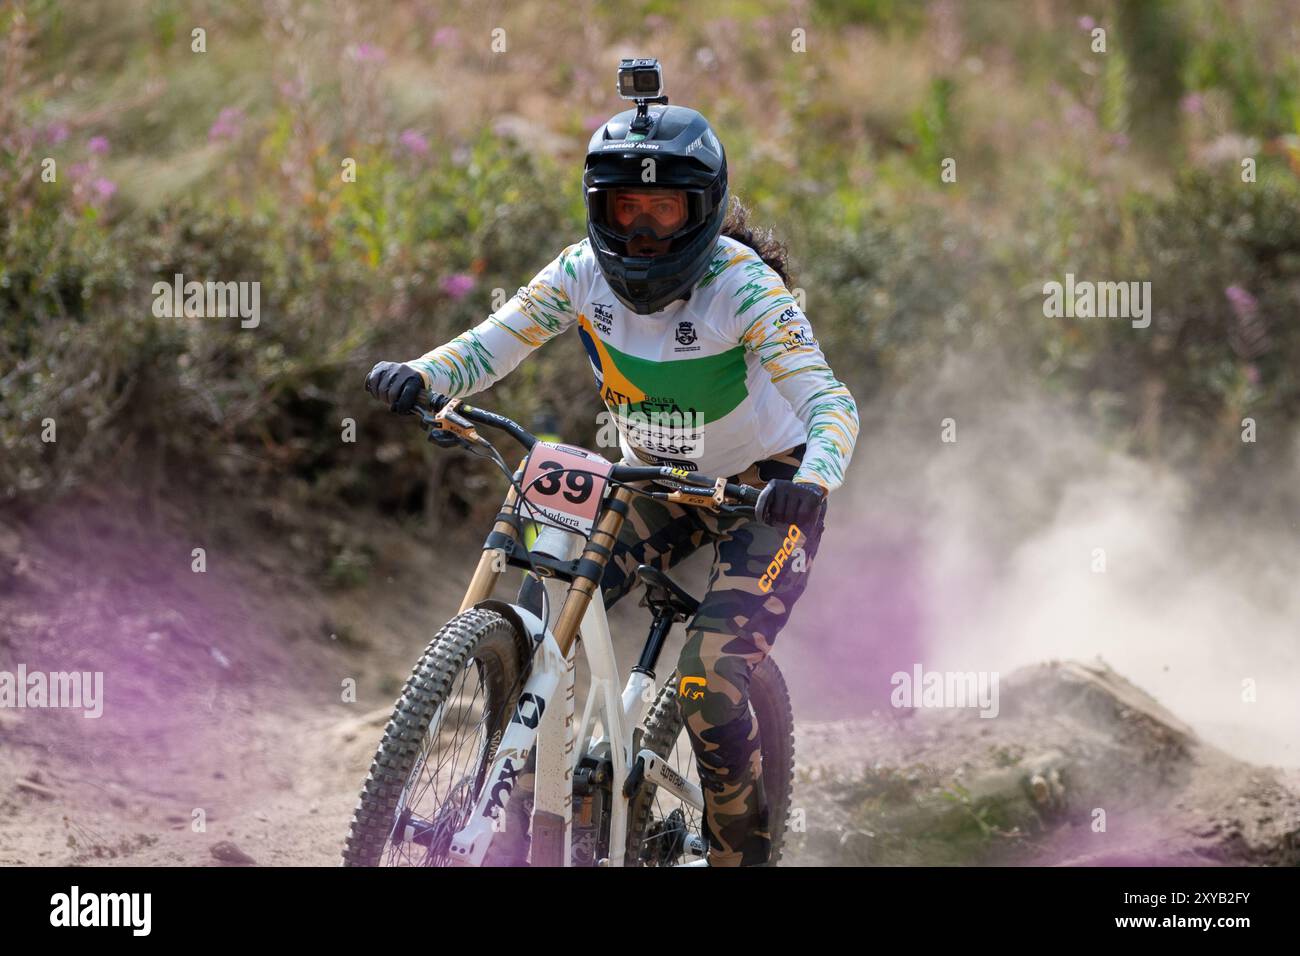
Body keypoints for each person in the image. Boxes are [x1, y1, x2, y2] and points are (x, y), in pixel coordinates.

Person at [366, 89, 859, 867]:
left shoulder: (746, 287)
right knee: (538, 611)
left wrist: (815, 480)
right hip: (651, 476)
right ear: (597, 206)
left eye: (664, 212)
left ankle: (742, 858)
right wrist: (422, 376)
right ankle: (534, 819)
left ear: (703, 212)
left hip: (767, 485)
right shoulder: (579, 273)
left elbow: (832, 405)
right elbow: (492, 345)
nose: (639, 230)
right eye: (625, 207)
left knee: (707, 680)